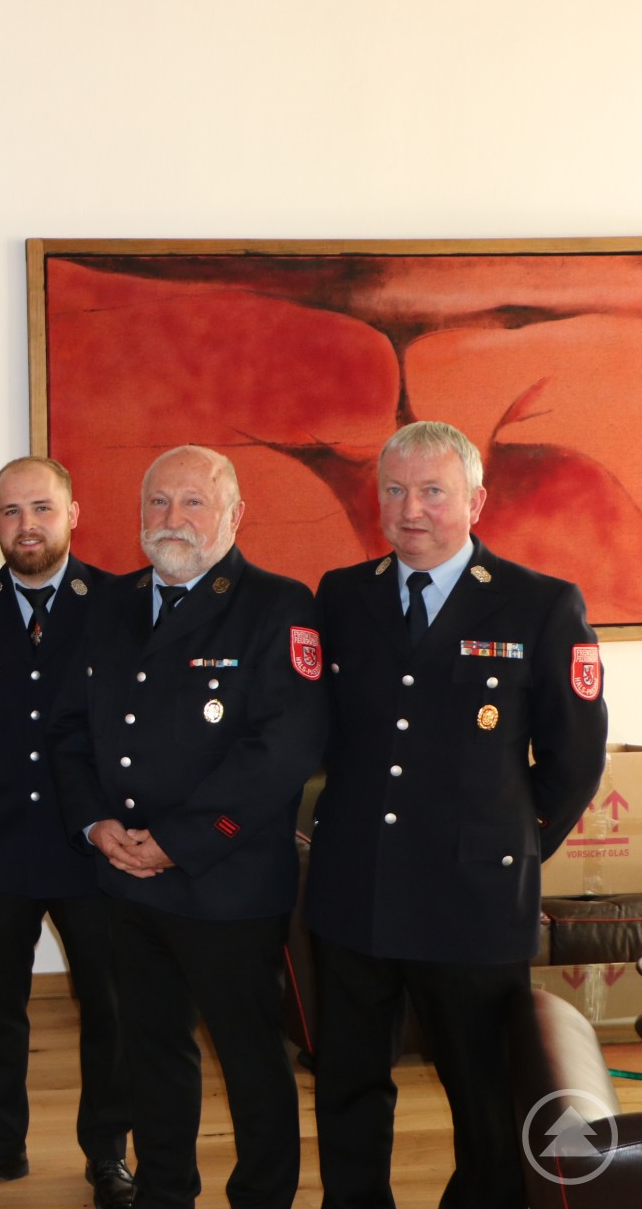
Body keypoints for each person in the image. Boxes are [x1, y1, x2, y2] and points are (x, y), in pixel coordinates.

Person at [304, 421, 607, 1209]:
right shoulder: (342, 596)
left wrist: (509, 846)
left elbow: (575, 761)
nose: (412, 510)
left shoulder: (538, 605)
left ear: (474, 500)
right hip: (354, 889)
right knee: (347, 1087)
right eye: (395, 491)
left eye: (433, 491)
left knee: (483, 1098)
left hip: (471, 901)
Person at [49, 445, 328, 1209]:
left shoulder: (277, 606)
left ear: (234, 517)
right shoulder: (107, 605)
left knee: (249, 1058)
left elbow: (282, 750)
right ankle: (166, 1188)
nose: (173, 519)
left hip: (225, 882)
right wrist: (95, 824)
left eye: (194, 503)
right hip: (126, 879)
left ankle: (262, 1196)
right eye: (159, 503)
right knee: (152, 1051)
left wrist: (182, 840)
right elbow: (69, 729)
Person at [0, 456, 133, 1207]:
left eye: (42, 508)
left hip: (96, 843)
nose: (27, 525)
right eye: (11, 512)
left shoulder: (122, 604)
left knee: (108, 1007)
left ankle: (108, 1153)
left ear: (73, 513)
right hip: (2, 837)